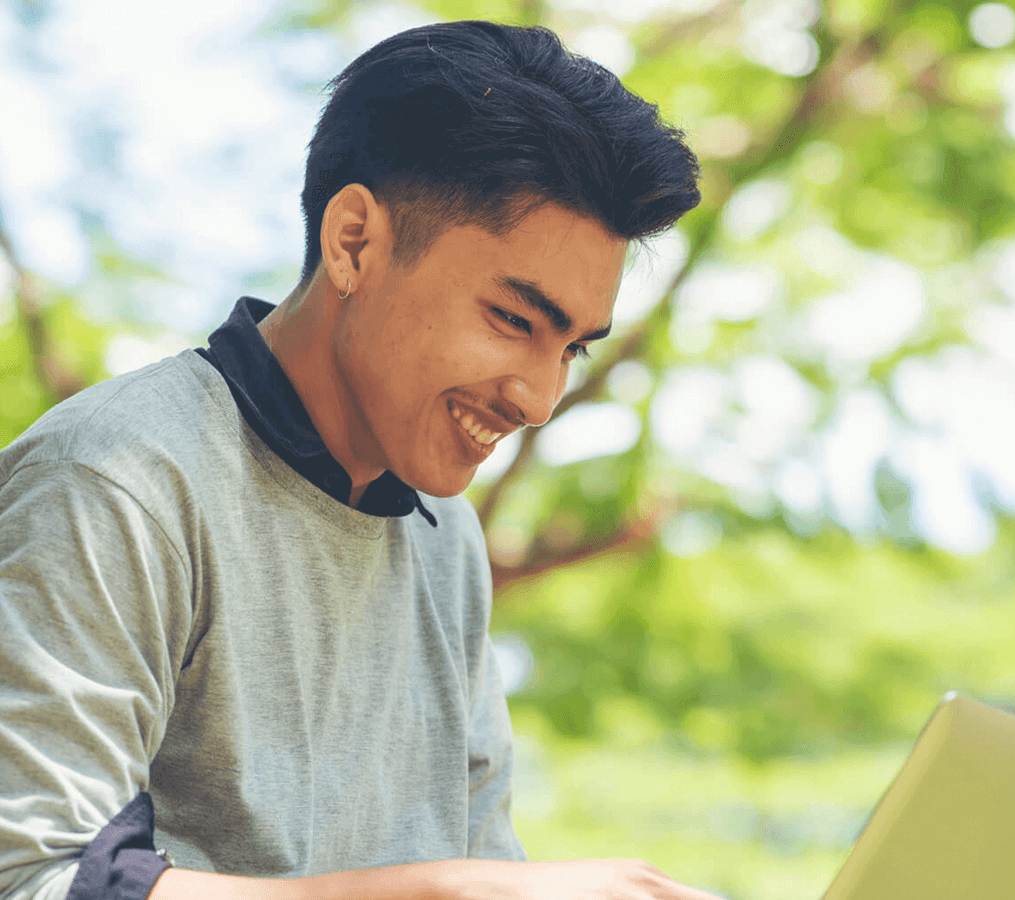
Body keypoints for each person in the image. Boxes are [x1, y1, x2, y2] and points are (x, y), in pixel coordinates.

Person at [0, 19, 722, 900]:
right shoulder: (121, 482)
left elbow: (486, 873)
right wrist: (438, 892)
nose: (538, 398)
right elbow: (31, 880)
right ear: (353, 243)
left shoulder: (444, 537)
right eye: (515, 321)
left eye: (571, 347)